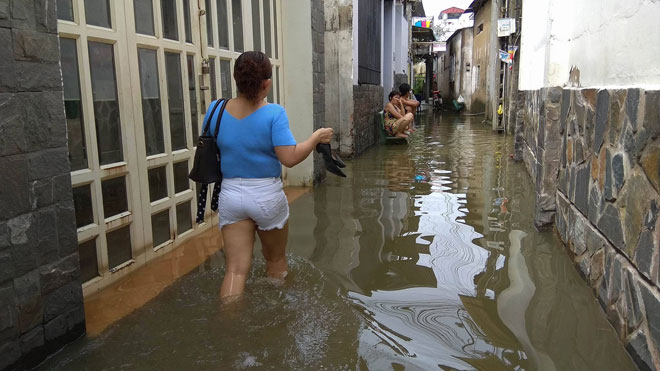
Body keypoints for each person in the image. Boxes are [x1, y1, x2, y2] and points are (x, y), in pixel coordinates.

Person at [204, 51, 333, 301]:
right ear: (266, 83)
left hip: (230, 195)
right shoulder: (274, 113)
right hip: (266, 196)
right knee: (275, 260)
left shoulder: (215, 110)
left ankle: (227, 323)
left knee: (235, 271)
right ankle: (277, 313)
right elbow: (290, 158)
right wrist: (315, 138)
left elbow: (213, 150)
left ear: (236, 79)